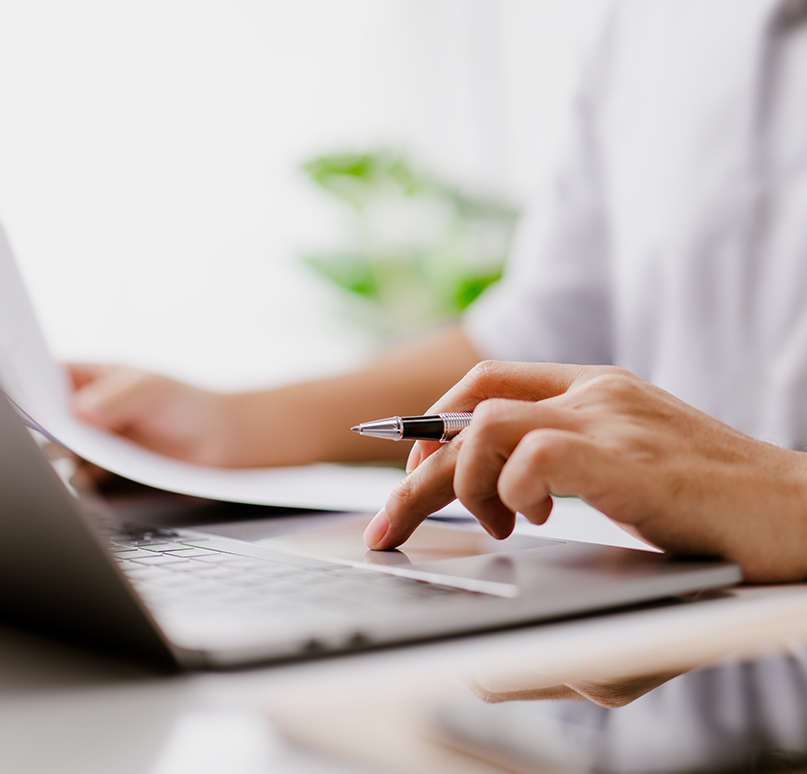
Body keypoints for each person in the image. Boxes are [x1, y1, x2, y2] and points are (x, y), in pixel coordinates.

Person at [69, 0, 807, 581]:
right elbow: (535, 347)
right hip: (698, 626)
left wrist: (784, 498)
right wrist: (234, 428)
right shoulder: (648, 22)